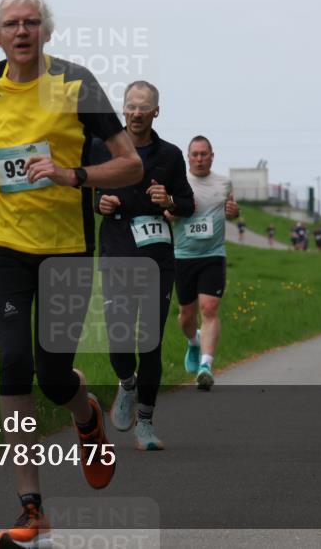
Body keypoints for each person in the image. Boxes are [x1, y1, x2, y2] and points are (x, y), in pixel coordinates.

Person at [0, 0, 142, 549]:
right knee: (13, 362)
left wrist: (71, 176)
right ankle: (32, 507)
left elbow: (129, 164)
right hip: (1, 243)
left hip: (65, 248)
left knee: (53, 374)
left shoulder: (76, 84)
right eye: (11, 23)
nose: (22, 31)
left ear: (46, 31)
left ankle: (86, 414)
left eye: (31, 22)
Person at [94, 81, 195, 450]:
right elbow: (92, 193)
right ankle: (126, 384)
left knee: (149, 340)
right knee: (119, 336)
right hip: (117, 250)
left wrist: (168, 198)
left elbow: (186, 202)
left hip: (156, 256)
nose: (136, 113)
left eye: (144, 107)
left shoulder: (169, 155)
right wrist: (100, 203)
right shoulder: (102, 148)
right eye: (131, 106)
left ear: (156, 112)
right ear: (124, 109)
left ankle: (147, 425)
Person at [173, 135, 238, 392]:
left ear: (212, 156)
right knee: (186, 316)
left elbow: (231, 210)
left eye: (204, 154)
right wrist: (169, 209)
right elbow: (168, 211)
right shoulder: (178, 182)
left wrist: (234, 212)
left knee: (209, 308)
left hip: (213, 255)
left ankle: (206, 366)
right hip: (183, 256)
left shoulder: (223, 183)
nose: (199, 159)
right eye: (195, 154)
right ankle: (193, 342)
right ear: (188, 158)